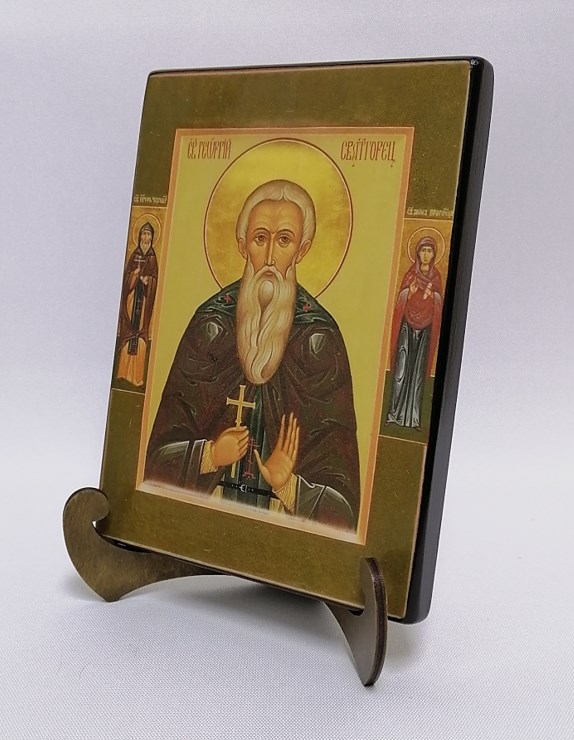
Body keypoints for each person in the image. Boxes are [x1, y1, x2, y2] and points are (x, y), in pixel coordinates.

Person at [145, 180, 360, 531]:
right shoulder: (210, 327)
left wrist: (288, 486)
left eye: (284, 240)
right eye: (261, 238)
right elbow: (155, 461)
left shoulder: (319, 341)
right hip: (200, 525)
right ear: (242, 245)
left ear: (302, 250)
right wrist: (208, 455)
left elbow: (344, 508)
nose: (271, 257)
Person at [386, 235, 443, 430]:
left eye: (429, 251)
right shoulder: (411, 275)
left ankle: (414, 419)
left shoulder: (436, 279)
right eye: (423, 250)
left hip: (425, 329)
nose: (426, 255)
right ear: (417, 253)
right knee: (401, 370)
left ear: (434, 254)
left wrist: (433, 296)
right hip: (407, 326)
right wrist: (409, 292)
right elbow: (401, 300)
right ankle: (394, 415)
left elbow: (439, 303)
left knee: (417, 372)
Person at [117, 222, 159, 387]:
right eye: (143, 234)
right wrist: (134, 276)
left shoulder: (152, 258)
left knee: (140, 337)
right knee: (128, 335)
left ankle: (137, 378)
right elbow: (126, 280)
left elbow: (154, 280)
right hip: (131, 300)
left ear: (152, 238)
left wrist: (148, 280)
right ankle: (122, 373)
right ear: (140, 236)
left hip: (143, 305)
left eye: (148, 235)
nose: (145, 238)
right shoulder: (134, 256)